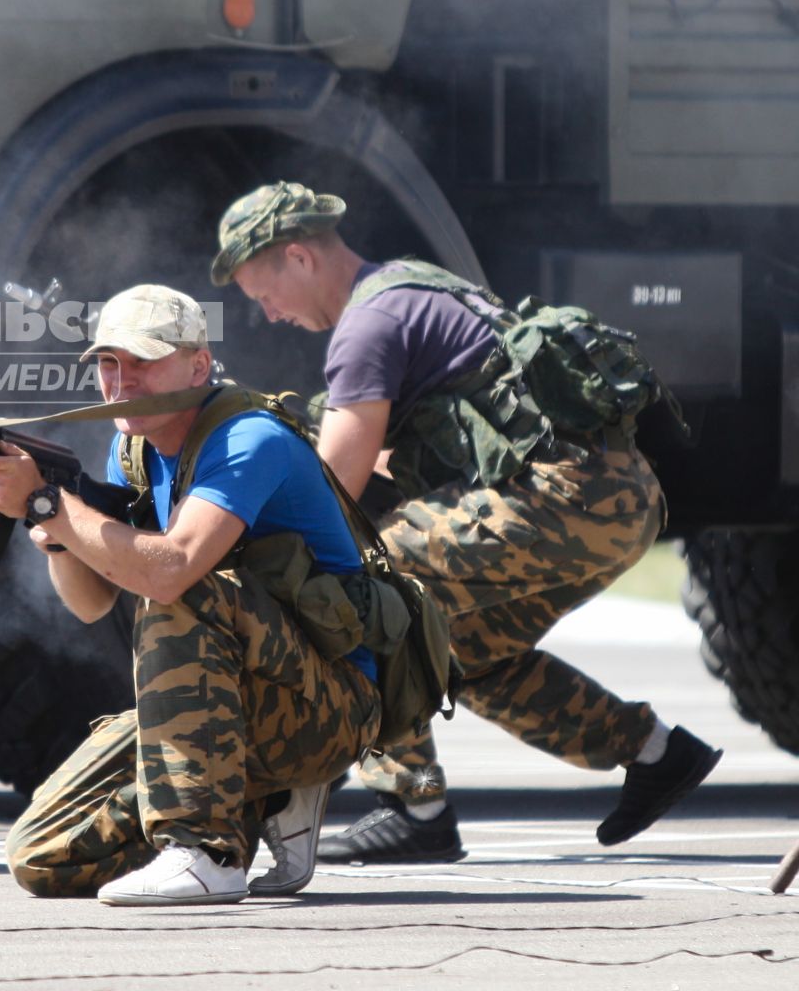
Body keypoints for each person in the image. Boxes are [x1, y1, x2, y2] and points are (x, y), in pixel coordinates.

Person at [213, 181, 720, 863]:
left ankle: (411, 805)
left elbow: (328, 494)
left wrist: (226, 542)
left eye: (262, 293)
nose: (267, 314)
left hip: (563, 497)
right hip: (616, 499)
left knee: (367, 585)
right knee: (458, 656)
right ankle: (655, 753)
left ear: (299, 259)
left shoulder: (367, 327)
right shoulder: (415, 287)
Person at [0, 285, 382, 905]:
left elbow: (172, 571)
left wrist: (47, 502)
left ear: (198, 364)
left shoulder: (249, 438)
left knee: (182, 590)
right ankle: (254, 799)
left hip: (328, 703)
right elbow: (91, 604)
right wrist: (57, 529)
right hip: (235, 696)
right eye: (109, 364)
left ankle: (205, 853)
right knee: (40, 856)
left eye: (143, 361)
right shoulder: (132, 449)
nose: (123, 381)